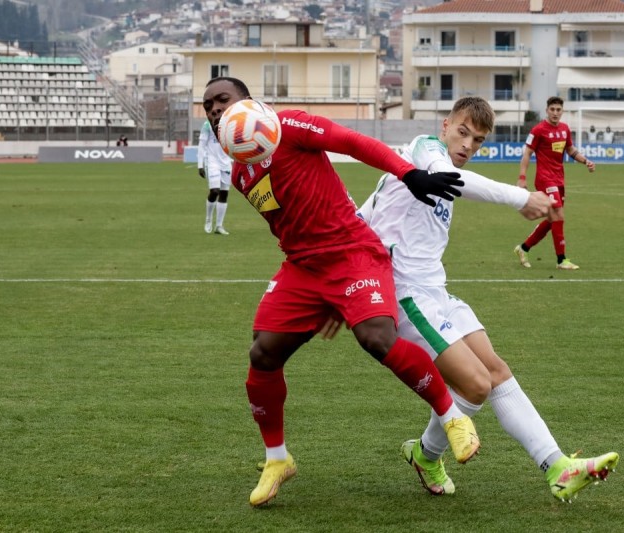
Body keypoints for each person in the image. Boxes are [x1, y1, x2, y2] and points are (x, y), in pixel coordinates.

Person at [202, 76, 480, 507]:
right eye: (208, 106)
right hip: (304, 266)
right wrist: (326, 299)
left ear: (250, 102)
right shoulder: (241, 170)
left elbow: (351, 142)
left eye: (223, 100)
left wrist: (409, 174)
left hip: (353, 252)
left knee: (377, 338)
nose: (215, 110)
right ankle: (278, 459)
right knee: (262, 354)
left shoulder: (289, 125)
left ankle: (451, 415)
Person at [358, 96, 619, 502]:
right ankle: (427, 456)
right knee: (475, 386)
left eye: (477, 141)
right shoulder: (425, 149)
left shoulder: (434, 167)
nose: (467, 145)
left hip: (437, 292)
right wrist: (522, 197)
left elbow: (367, 214)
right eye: (462, 133)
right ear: (445, 126)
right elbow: (448, 179)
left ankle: (557, 466)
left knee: (496, 372)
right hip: (408, 297)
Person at [513, 96, 595, 271]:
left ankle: (523, 248)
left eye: (558, 110)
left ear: (562, 111)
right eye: (552, 109)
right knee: (559, 214)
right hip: (545, 179)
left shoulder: (565, 129)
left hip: (559, 179)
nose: (555, 113)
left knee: (553, 220)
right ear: (547, 110)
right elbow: (527, 153)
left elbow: (570, 150)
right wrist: (522, 177)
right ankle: (561, 260)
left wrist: (585, 160)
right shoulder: (538, 130)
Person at [197, 119, 232, 235]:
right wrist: (200, 165)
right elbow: (201, 145)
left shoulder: (230, 122)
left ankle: (219, 226)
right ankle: (208, 218)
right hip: (212, 161)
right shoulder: (207, 124)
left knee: (224, 193)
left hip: (226, 162)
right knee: (215, 191)